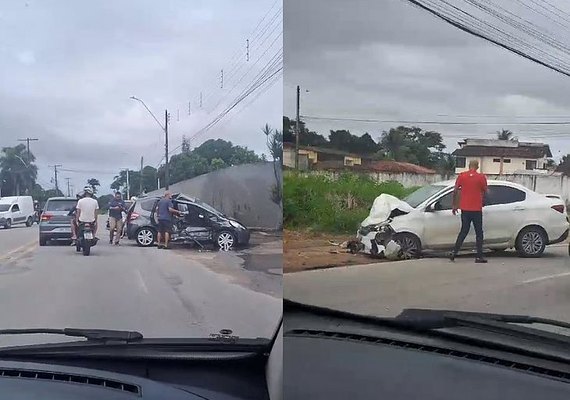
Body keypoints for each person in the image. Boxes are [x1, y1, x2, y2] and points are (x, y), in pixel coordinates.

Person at [450, 160, 488, 263]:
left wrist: (454, 205)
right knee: (479, 233)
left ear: (468, 166)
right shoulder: (481, 177)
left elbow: (455, 190)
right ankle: (479, 256)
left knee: (463, 231)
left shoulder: (462, 176)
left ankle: (454, 252)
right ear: (477, 166)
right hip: (476, 209)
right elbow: (485, 191)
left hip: (465, 208)